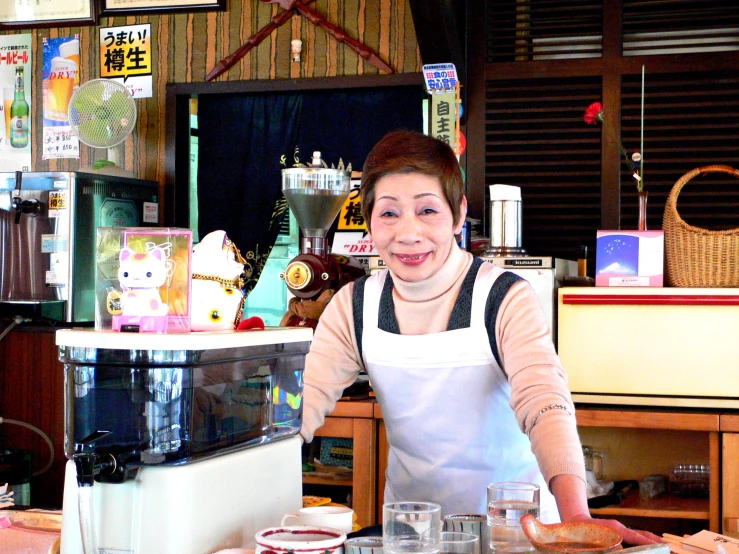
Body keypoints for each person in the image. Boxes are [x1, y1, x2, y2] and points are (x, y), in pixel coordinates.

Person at [299, 130, 660, 545]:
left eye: (428, 211)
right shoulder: (354, 306)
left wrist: (576, 516)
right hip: (415, 537)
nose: (408, 233)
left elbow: (544, 402)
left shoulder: (503, 297)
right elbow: (302, 405)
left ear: (458, 215)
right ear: (369, 222)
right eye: (389, 213)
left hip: (516, 534)